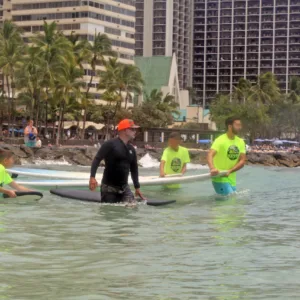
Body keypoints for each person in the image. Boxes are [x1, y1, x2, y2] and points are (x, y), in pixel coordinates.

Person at [89, 119, 145, 203]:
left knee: (132, 209)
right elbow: (97, 159)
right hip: (109, 188)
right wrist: (92, 177)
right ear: (125, 130)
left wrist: (137, 187)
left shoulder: (131, 149)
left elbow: (134, 169)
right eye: (132, 129)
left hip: (124, 188)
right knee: (110, 213)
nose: (135, 131)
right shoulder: (110, 144)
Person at [207, 116, 246, 195]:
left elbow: (242, 161)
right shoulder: (220, 140)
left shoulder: (240, 142)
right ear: (230, 126)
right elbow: (210, 154)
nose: (239, 127)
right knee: (230, 201)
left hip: (232, 178)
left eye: (240, 125)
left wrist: (230, 171)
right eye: (237, 125)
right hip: (220, 178)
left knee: (230, 205)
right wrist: (212, 168)